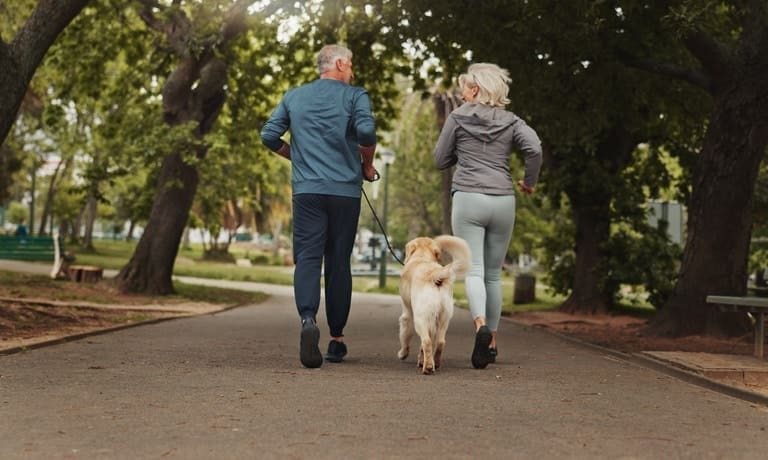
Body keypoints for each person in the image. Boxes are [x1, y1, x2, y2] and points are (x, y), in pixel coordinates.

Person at [261, 44, 378, 368]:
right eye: (350, 64)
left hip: (307, 192)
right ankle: (336, 340)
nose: (352, 71)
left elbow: (269, 135)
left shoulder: (294, 96)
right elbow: (366, 131)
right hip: (344, 192)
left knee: (308, 258)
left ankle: (308, 321)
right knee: (339, 261)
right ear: (339, 63)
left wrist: (295, 156)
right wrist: (366, 165)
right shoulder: (356, 96)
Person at [433, 63, 543, 369]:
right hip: (502, 200)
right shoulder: (512, 121)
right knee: (494, 274)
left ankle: (479, 324)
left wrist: (462, 154)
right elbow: (534, 148)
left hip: (468, 198)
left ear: (476, 89)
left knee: (475, 271)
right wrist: (529, 182)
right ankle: (491, 341)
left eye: (466, 86)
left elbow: (440, 159)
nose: (462, 92)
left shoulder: (458, 117)